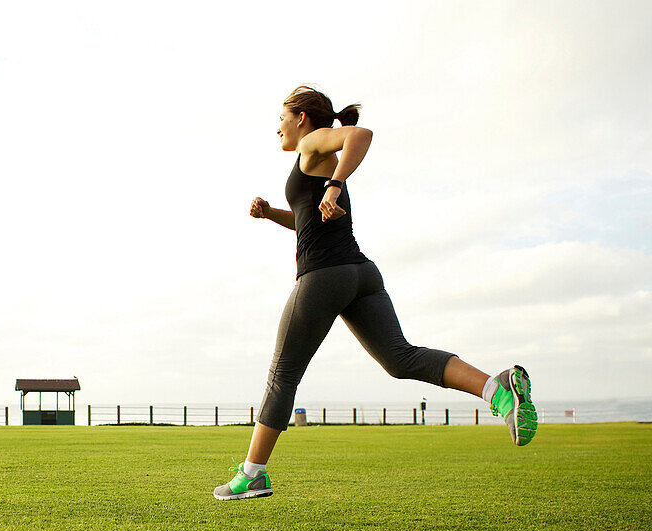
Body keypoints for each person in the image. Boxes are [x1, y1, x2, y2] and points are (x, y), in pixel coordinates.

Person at [214, 86, 537, 501]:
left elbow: (361, 135)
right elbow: (308, 222)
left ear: (301, 118)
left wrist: (333, 186)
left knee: (283, 374)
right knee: (401, 358)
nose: (276, 127)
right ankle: (497, 388)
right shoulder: (313, 157)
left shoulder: (313, 143)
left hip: (323, 277)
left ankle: (252, 474)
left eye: (281, 117)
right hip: (360, 274)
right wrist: (272, 214)